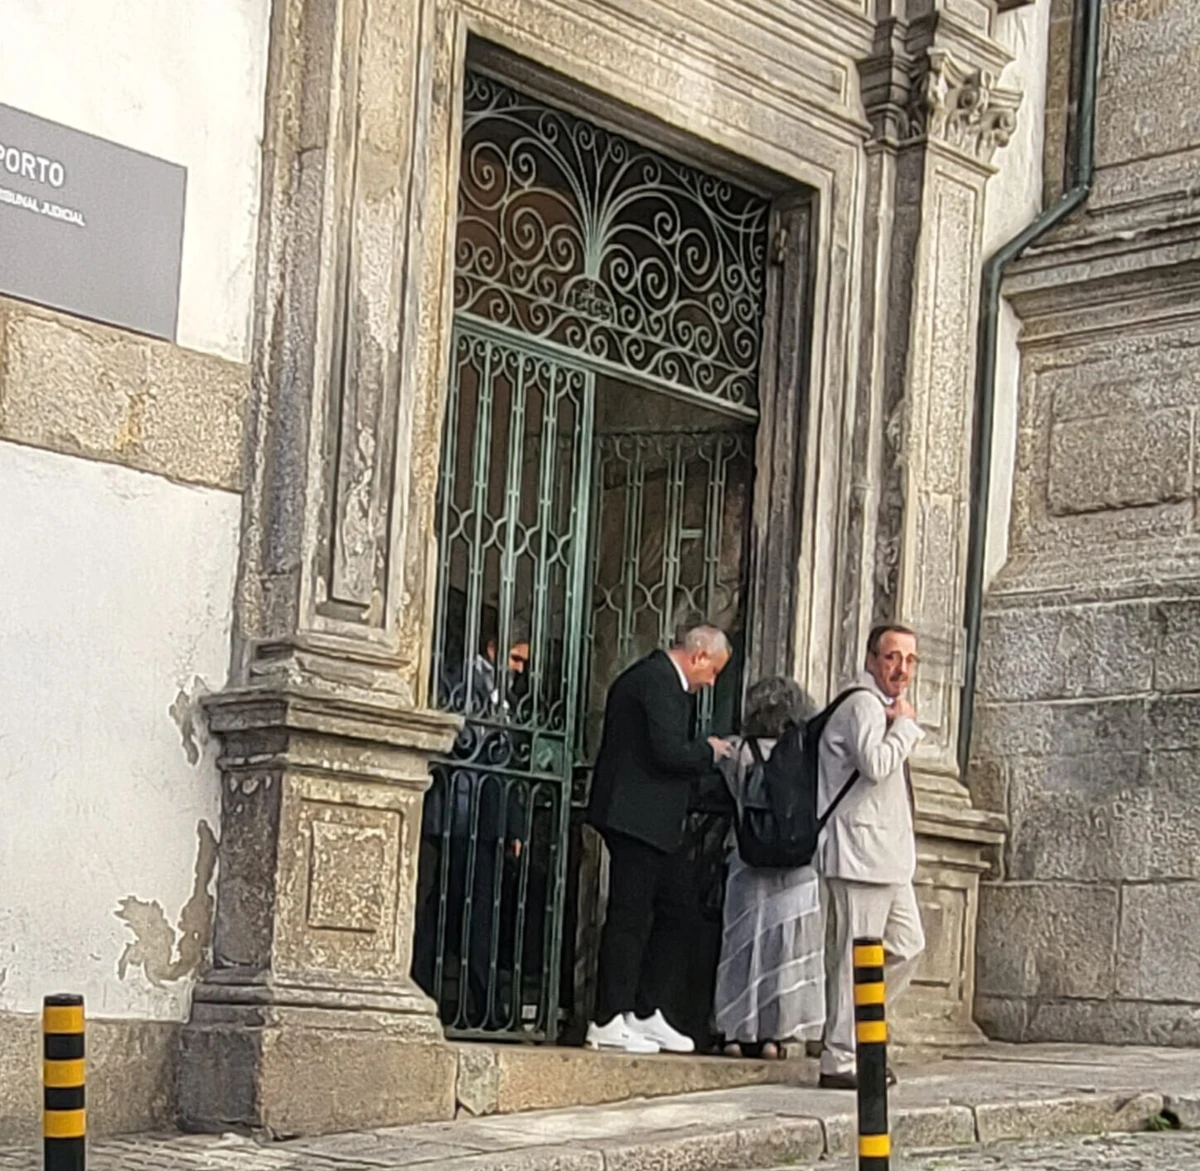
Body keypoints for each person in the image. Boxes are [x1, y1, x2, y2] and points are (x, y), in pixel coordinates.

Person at [585, 625, 732, 1054]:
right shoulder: (654, 681)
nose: (712, 682)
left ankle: (646, 1011)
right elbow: (667, 751)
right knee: (629, 920)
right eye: (714, 671)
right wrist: (710, 751)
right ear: (699, 655)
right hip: (635, 821)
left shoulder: (661, 682)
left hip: (653, 825)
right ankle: (608, 1018)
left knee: (679, 912)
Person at [817, 623, 925, 1090]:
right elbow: (875, 764)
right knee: (853, 958)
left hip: (889, 856)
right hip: (859, 852)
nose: (901, 669)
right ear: (871, 659)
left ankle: (863, 1031)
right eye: (892, 657)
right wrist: (905, 728)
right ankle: (840, 1057)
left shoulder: (882, 706)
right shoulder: (862, 704)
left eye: (909, 660)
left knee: (909, 944)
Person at [713, 676, 825, 1059]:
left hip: (748, 857)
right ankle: (776, 1036)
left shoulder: (737, 750)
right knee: (787, 951)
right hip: (798, 861)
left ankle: (733, 1032)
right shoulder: (809, 754)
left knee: (743, 947)